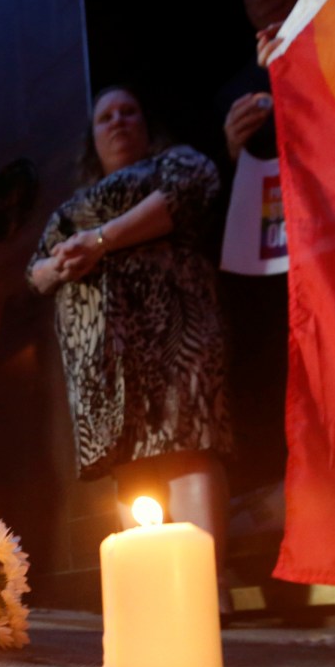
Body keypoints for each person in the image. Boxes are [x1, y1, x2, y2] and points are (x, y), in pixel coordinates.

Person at [27, 85, 234, 607]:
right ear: (92, 139)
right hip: (102, 358)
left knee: (186, 445)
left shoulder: (173, 163)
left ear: (146, 124)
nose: (118, 121)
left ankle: (202, 592)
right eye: (106, 117)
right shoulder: (71, 208)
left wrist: (100, 241)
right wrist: (61, 263)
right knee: (132, 467)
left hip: (174, 330)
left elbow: (190, 191)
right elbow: (36, 273)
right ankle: (153, 600)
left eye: (128, 112)